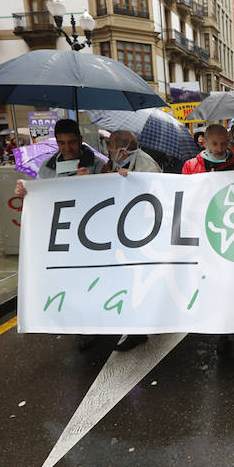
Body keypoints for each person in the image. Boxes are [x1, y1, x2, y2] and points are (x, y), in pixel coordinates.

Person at [13, 118, 105, 351]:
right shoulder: (48, 167)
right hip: (64, 235)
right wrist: (26, 192)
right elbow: (41, 198)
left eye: (72, 142)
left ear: (80, 140)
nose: (67, 148)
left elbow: (111, 195)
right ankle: (82, 327)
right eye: (62, 143)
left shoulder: (97, 163)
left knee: (93, 280)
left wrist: (93, 182)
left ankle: (100, 320)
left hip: (92, 234)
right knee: (72, 281)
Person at [182, 124, 234, 360]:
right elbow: (184, 200)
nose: (219, 149)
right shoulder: (191, 167)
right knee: (214, 286)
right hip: (203, 236)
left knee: (233, 286)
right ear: (205, 143)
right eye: (214, 144)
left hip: (231, 236)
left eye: (223, 143)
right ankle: (222, 333)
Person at [98, 130, 161, 351]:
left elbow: (155, 193)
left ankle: (139, 330)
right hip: (122, 232)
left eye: (112, 147)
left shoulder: (144, 165)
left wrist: (132, 180)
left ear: (122, 150)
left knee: (135, 279)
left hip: (140, 235)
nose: (109, 151)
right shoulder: (115, 164)